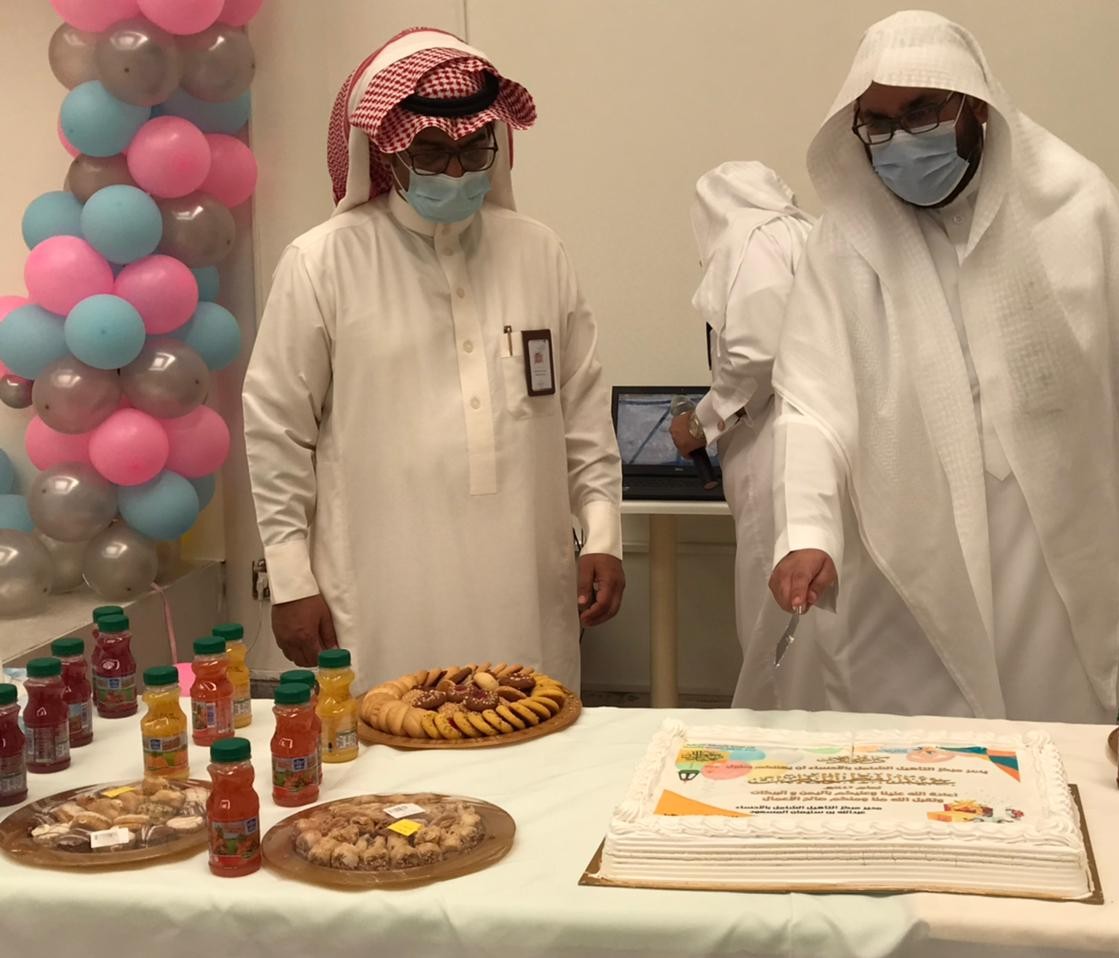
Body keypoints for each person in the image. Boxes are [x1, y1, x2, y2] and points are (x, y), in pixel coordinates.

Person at [768, 11, 1119, 722]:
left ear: (977, 105)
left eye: (921, 112)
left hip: (1048, 550)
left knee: (1052, 742)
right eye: (880, 124)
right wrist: (806, 531)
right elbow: (811, 404)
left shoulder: (1074, 205)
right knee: (917, 759)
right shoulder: (845, 243)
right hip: (908, 555)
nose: (902, 141)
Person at [243, 28, 624, 690]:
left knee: (530, 731)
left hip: (525, 591)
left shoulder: (538, 252)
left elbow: (583, 411)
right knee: (389, 748)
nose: (456, 172)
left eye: (473, 150)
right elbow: (278, 432)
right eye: (430, 151)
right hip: (380, 596)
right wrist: (291, 580)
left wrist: (603, 534)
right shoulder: (321, 263)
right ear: (384, 151)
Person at [671, 161, 815, 708]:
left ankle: (769, 732)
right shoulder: (807, 233)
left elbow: (757, 352)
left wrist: (700, 424)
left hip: (773, 447)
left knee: (771, 614)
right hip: (815, 442)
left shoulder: (748, 238)